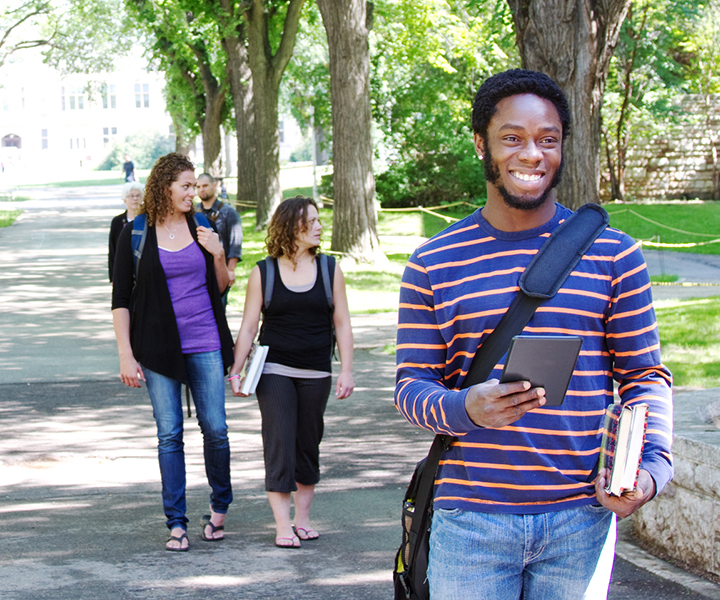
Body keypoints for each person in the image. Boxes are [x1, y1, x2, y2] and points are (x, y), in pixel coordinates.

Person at [394, 69, 673, 599]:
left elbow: (645, 376)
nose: (532, 155)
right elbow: (411, 387)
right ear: (482, 144)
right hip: (470, 521)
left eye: (548, 140)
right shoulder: (434, 262)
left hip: (581, 519)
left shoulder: (614, 255)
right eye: (512, 138)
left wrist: (652, 467)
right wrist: (466, 409)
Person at [110, 152, 235, 552]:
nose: (193, 191)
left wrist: (217, 254)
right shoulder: (135, 232)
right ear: (165, 187)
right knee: (170, 433)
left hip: (205, 340)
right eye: (185, 185)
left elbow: (220, 287)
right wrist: (126, 355)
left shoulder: (202, 225)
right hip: (158, 346)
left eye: (195, 184)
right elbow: (120, 299)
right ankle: (176, 522)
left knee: (215, 428)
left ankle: (219, 506)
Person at [228, 196, 355, 549]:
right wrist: (236, 370)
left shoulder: (330, 269)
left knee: (307, 442)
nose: (318, 226)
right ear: (291, 226)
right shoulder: (263, 272)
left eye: (318, 220)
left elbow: (342, 323)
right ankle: (283, 525)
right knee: (279, 440)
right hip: (275, 369)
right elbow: (249, 325)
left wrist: (346, 370)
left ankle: (302, 518)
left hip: (317, 371)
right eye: (310, 220)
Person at [195, 173, 243, 303]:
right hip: (198, 273)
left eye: (205, 185)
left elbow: (235, 244)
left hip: (220, 271)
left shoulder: (229, 212)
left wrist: (230, 270)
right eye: (198, 187)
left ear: (214, 185)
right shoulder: (193, 212)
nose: (201, 189)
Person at [109, 181, 145, 281]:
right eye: (131, 196)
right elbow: (112, 250)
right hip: (122, 269)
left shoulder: (148, 220)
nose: (135, 199)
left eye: (138, 195)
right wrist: (113, 277)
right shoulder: (117, 221)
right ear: (125, 199)